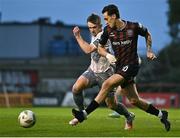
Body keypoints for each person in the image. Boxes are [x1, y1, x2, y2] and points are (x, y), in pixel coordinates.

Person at [72, 4, 171, 132]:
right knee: (134, 100)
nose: (105, 22)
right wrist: (108, 55)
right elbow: (100, 48)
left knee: (107, 84)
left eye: (107, 19)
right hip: (119, 67)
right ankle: (162, 115)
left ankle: (83, 114)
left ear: (114, 16)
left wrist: (149, 50)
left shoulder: (133, 27)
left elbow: (147, 34)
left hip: (131, 65)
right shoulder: (108, 31)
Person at [69, 13, 135, 130]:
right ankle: (81, 113)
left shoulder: (103, 34)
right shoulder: (94, 34)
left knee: (111, 105)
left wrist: (78, 36)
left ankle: (128, 116)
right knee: (76, 88)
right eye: (90, 27)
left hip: (106, 74)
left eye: (94, 27)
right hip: (92, 70)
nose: (92, 30)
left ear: (100, 26)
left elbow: (88, 49)